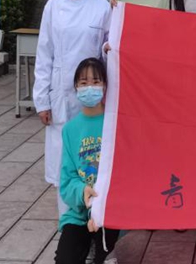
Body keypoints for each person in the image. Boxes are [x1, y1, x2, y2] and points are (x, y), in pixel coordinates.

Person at [34, 0, 110, 216]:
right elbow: (45, 54)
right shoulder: (53, 6)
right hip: (62, 97)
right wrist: (42, 100)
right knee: (64, 165)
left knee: (92, 162)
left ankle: (95, 220)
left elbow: (108, 52)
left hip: (93, 96)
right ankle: (68, 223)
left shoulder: (101, 6)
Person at [55, 58, 121, 264]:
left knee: (107, 257)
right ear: (76, 87)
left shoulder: (116, 124)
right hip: (79, 214)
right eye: (83, 83)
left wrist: (100, 208)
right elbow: (67, 180)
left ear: (105, 86)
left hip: (110, 212)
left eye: (96, 82)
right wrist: (83, 192)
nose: (90, 88)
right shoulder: (70, 130)